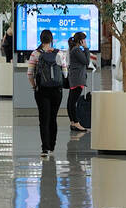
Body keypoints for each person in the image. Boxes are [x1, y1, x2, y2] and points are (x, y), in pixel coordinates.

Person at [26, 28, 64, 159]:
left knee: (44, 119)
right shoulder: (59, 54)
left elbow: (30, 74)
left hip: (41, 91)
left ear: (40, 40)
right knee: (53, 118)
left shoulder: (35, 54)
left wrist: (34, 86)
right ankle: (52, 146)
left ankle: (45, 148)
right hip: (56, 91)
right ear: (51, 39)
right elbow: (65, 73)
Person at [66, 31, 94, 132]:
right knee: (73, 102)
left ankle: (73, 122)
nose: (85, 41)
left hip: (74, 78)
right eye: (84, 40)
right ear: (81, 41)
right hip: (77, 79)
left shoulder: (74, 49)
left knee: (71, 101)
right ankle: (77, 123)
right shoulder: (77, 50)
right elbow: (86, 62)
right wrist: (86, 48)